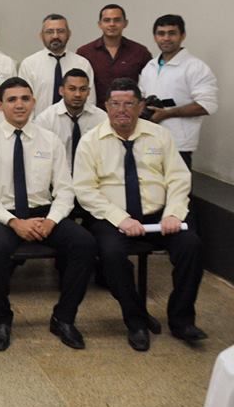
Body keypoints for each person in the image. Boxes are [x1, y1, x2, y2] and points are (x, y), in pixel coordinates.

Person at [73, 78, 206, 351]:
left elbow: (179, 179)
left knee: (191, 245)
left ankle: (182, 320)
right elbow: (85, 190)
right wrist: (120, 218)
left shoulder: (160, 136)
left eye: (129, 104)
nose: (122, 110)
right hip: (112, 218)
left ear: (140, 106)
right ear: (106, 106)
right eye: (115, 104)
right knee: (111, 255)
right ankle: (135, 320)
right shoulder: (91, 141)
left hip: (158, 215)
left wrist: (173, 214)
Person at [0, 77, 97, 352]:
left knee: (84, 243)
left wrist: (52, 220)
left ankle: (64, 317)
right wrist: (14, 222)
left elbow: (65, 189)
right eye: (12, 100)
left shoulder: (50, 141)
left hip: (43, 214)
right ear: (0, 105)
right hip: (3, 215)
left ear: (34, 102)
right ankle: (2, 320)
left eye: (25, 99)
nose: (19, 105)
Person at [138, 14, 218, 168]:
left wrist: (167, 113)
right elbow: (141, 96)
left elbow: (208, 105)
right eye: (161, 33)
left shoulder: (196, 67)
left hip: (179, 144)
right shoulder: (150, 66)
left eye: (172, 33)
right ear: (155, 37)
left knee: (178, 183)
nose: (166, 38)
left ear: (183, 35)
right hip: (150, 140)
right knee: (151, 180)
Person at [76, 4, 152, 108]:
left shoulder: (140, 52)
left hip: (129, 112)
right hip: (96, 113)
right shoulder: (85, 52)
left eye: (117, 20)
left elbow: (150, 82)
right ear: (100, 24)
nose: (112, 24)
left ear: (125, 23)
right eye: (107, 20)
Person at [18, 14, 95, 116]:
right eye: (49, 32)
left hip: (76, 123)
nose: (55, 36)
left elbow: (90, 101)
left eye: (60, 31)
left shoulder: (82, 64)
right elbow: (23, 101)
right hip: (39, 123)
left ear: (69, 34)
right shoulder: (29, 64)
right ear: (41, 35)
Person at [34, 68, 106, 173]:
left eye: (83, 89)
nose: (78, 94)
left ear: (89, 92)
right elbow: (40, 157)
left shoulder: (101, 118)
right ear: (61, 91)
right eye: (72, 89)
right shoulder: (45, 120)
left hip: (93, 176)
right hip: (56, 177)